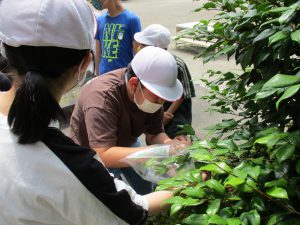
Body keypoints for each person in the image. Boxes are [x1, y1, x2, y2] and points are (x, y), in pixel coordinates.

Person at [0, 0, 173, 224]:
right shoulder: (75, 167)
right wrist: (189, 183)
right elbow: (134, 209)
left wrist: (166, 145)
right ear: (85, 63)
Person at [70, 46, 184, 194]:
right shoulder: (102, 97)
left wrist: (170, 145)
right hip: (92, 155)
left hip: (128, 144)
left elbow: (154, 133)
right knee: (113, 196)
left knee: (144, 188)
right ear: (133, 84)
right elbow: (103, 154)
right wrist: (155, 152)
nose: (160, 101)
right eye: (156, 96)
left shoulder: (149, 94)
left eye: (163, 97)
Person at [134, 24, 196, 145]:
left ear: (155, 48)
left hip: (175, 113)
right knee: (153, 138)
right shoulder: (144, 63)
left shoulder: (177, 64)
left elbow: (182, 95)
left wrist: (167, 114)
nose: (140, 47)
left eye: (144, 45)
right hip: (154, 108)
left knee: (178, 140)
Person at [94, 0, 141, 75]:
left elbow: (138, 55)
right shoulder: (99, 21)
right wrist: (97, 76)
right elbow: (98, 55)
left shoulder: (132, 19)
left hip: (123, 76)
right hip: (103, 76)